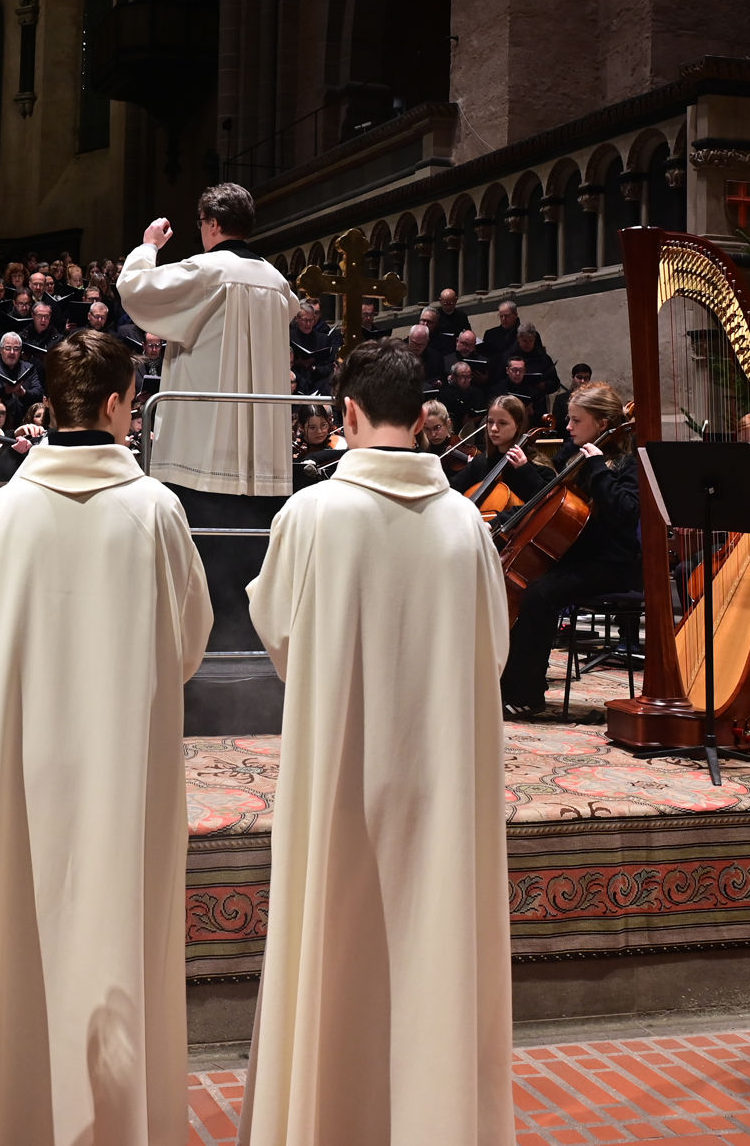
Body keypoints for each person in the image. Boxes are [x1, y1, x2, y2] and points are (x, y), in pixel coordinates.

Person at [0, 330, 212, 1146]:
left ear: (48, 403)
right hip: (120, 772)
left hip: (19, 767)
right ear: (121, 402)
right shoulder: (155, 510)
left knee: (16, 932)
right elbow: (190, 643)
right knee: (118, 927)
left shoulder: (0, 513)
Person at [242, 338, 512, 1145]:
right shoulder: (465, 523)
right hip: (437, 784)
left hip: (341, 774)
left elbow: (278, 634)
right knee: (434, 930)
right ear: (422, 418)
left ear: (348, 414)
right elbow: (493, 652)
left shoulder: (312, 514)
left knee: (331, 941)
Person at [118, 183, 299, 647]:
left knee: (204, 576)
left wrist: (148, 247)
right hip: (263, 465)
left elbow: (135, 290)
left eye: (201, 223)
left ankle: (200, 666)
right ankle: (249, 666)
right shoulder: (277, 283)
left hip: (202, 459)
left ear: (213, 224)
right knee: (251, 573)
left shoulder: (206, 271)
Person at [497, 381, 640, 716]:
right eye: (569, 419)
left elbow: (625, 513)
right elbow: (553, 503)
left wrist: (598, 468)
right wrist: (523, 473)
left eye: (576, 420)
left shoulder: (627, 465)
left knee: (539, 593)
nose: (568, 426)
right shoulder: (571, 454)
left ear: (602, 424)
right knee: (512, 583)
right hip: (576, 556)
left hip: (611, 564)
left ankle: (526, 694)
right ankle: (501, 682)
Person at [449, 394, 552, 502]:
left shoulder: (538, 466)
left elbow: (547, 501)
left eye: (502, 423)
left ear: (518, 426)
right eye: (490, 422)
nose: (494, 428)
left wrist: (524, 469)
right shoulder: (480, 462)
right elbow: (451, 489)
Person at [0, 332, 43, 410]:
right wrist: (6, 390)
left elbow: (39, 393)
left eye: (16, 349)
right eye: (7, 348)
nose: (12, 352)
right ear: (1, 350)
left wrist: (24, 393)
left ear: (20, 351)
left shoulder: (29, 368)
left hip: (24, 414)